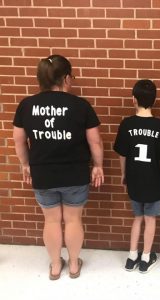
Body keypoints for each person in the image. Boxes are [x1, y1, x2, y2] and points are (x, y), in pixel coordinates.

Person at [13, 54, 104, 280]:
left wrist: (25, 165)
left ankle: (55, 266)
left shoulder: (26, 105)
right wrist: (98, 166)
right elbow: (95, 141)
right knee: (73, 219)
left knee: (51, 220)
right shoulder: (81, 105)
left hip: (43, 174)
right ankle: (73, 265)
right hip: (75, 174)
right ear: (65, 78)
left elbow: (18, 140)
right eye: (70, 77)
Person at [113, 79, 160, 273]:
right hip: (153, 180)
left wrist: (123, 173)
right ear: (154, 101)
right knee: (150, 220)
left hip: (134, 179)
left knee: (137, 218)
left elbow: (122, 154)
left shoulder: (126, 124)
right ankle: (146, 258)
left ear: (133, 99)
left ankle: (132, 257)